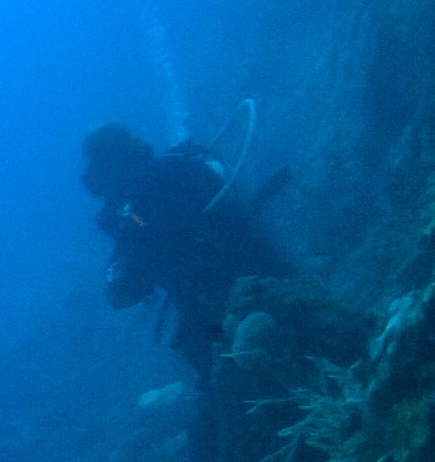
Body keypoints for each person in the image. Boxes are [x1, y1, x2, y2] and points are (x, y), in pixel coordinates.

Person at [81, 122, 284, 366]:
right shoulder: (134, 210)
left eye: (99, 169)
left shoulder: (167, 181)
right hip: (213, 301)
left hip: (247, 280)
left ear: (114, 165)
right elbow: (124, 290)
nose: (95, 182)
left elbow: (191, 239)